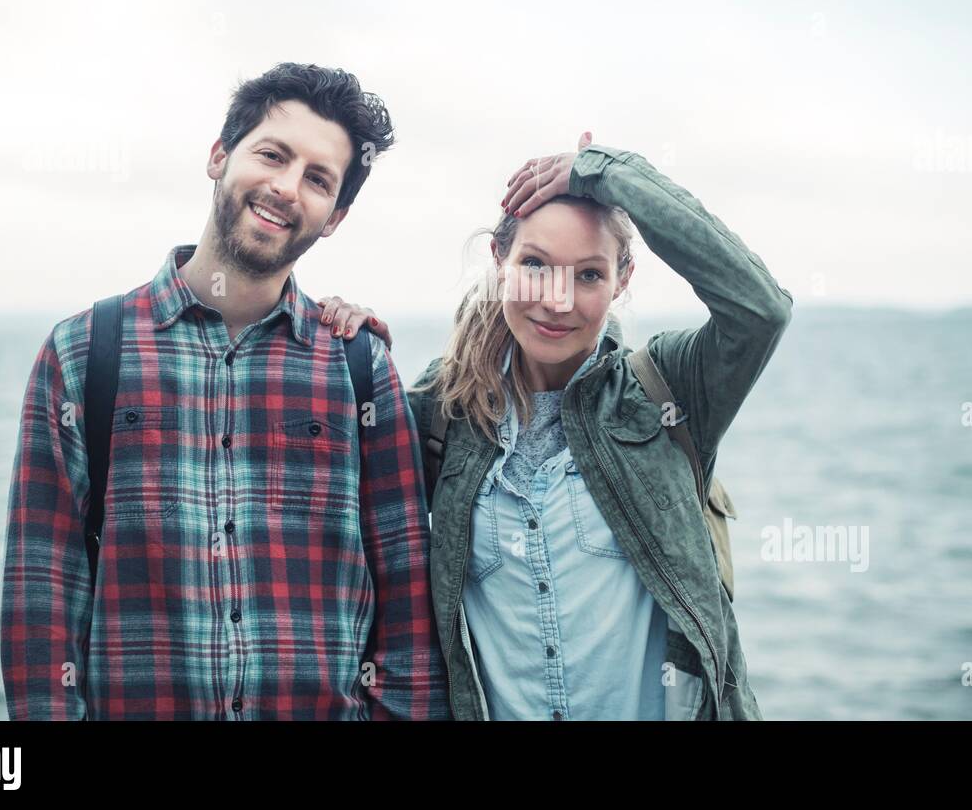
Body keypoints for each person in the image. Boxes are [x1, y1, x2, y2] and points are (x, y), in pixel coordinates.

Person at [0, 62, 449, 720]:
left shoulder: (359, 369)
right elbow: (42, 600)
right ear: (219, 156)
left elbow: (408, 606)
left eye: (318, 179)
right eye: (272, 154)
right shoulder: (82, 355)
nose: (287, 188)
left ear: (336, 217)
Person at [324, 132, 793, 719]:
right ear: (500, 262)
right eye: (535, 265)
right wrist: (341, 339)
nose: (558, 301)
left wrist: (606, 173)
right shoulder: (441, 409)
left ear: (622, 280)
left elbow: (761, 308)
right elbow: (335, 523)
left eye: (589, 276)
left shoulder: (670, 392)